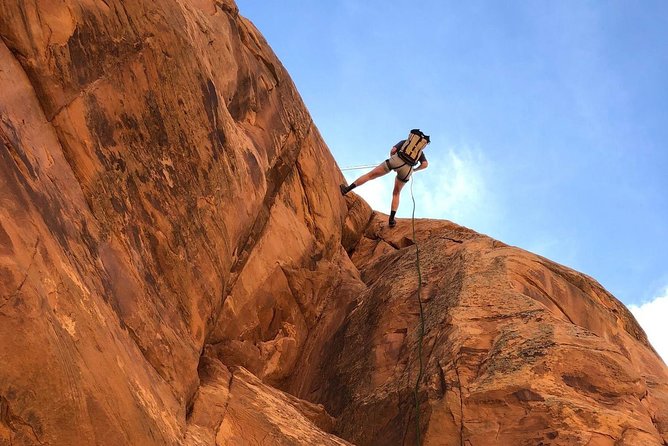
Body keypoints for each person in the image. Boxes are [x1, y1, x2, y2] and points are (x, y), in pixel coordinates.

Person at [340, 129, 430, 227]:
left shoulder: (405, 142)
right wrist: (414, 170)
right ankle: (391, 220)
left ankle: (346, 190)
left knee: (369, 176)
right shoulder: (420, 153)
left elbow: (393, 150)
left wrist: (393, 158)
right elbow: (425, 164)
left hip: (396, 160)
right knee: (396, 193)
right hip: (407, 170)